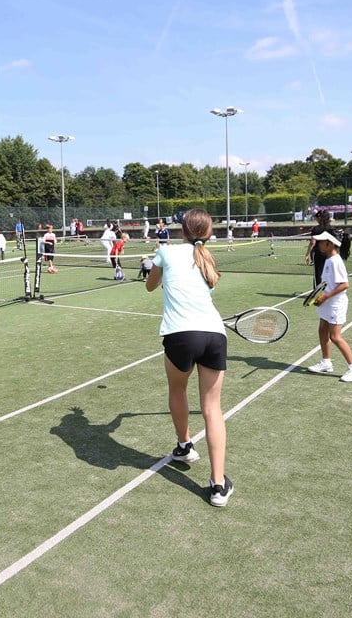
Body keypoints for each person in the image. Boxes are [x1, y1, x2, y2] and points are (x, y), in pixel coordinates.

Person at [145, 208, 233, 507]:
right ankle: (218, 485)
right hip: (214, 334)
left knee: (177, 389)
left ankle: (184, 445)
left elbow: (150, 285)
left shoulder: (166, 252)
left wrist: (150, 265)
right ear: (207, 234)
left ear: (181, 229)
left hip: (180, 335)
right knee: (212, 408)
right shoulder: (205, 257)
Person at [306, 231, 352, 383]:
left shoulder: (336, 261)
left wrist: (325, 297)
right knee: (322, 331)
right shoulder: (329, 260)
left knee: (335, 337)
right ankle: (326, 362)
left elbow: (344, 285)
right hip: (327, 303)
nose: (317, 244)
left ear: (330, 244)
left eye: (320, 242)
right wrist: (320, 297)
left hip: (336, 304)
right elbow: (328, 284)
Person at [303, 210, 333, 291]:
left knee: (318, 273)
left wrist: (307, 254)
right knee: (328, 273)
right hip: (329, 254)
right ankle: (328, 290)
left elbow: (312, 242)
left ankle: (317, 292)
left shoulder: (316, 229)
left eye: (316, 217)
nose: (316, 219)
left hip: (318, 253)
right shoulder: (331, 228)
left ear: (320, 217)